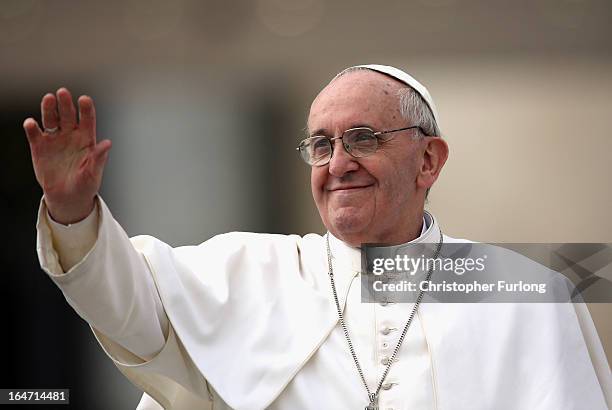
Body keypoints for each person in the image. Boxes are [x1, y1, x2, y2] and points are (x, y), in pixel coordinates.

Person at [24, 65, 611, 410]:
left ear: (429, 160)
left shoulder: (521, 289)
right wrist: (73, 212)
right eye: (322, 146)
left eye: (363, 138)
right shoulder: (252, 268)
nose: (338, 163)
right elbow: (127, 306)